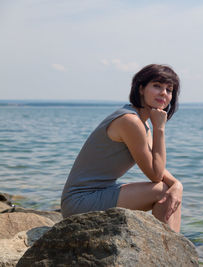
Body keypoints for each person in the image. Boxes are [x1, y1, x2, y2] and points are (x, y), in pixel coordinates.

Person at [61, 64, 183, 232]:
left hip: (99, 193)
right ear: (141, 88)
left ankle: (173, 250)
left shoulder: (141, 122)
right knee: (162, 191)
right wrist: (160, 129)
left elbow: (157, 165)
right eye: (157, 86)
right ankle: (170, 252)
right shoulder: (130, 121)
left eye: (169, 90)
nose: (164, 93)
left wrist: (177, 185)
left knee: (171, 190)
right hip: (80, 201)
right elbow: (155, 174)